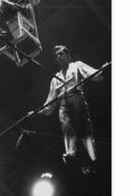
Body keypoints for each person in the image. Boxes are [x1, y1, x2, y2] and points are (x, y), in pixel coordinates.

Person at [41, 45, 103, 175]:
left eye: (61, 53)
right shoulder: (55, 79)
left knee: (85, 131)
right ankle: (70, 152)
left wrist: (99, 72)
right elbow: (51, 100)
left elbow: (91, 73)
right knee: (66, 126)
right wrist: (40, 111)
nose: (59, 56)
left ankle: (93, 158)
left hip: (76, 98)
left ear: (68, 56)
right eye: (57, 55)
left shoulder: (76, 65)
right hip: (64, 103)